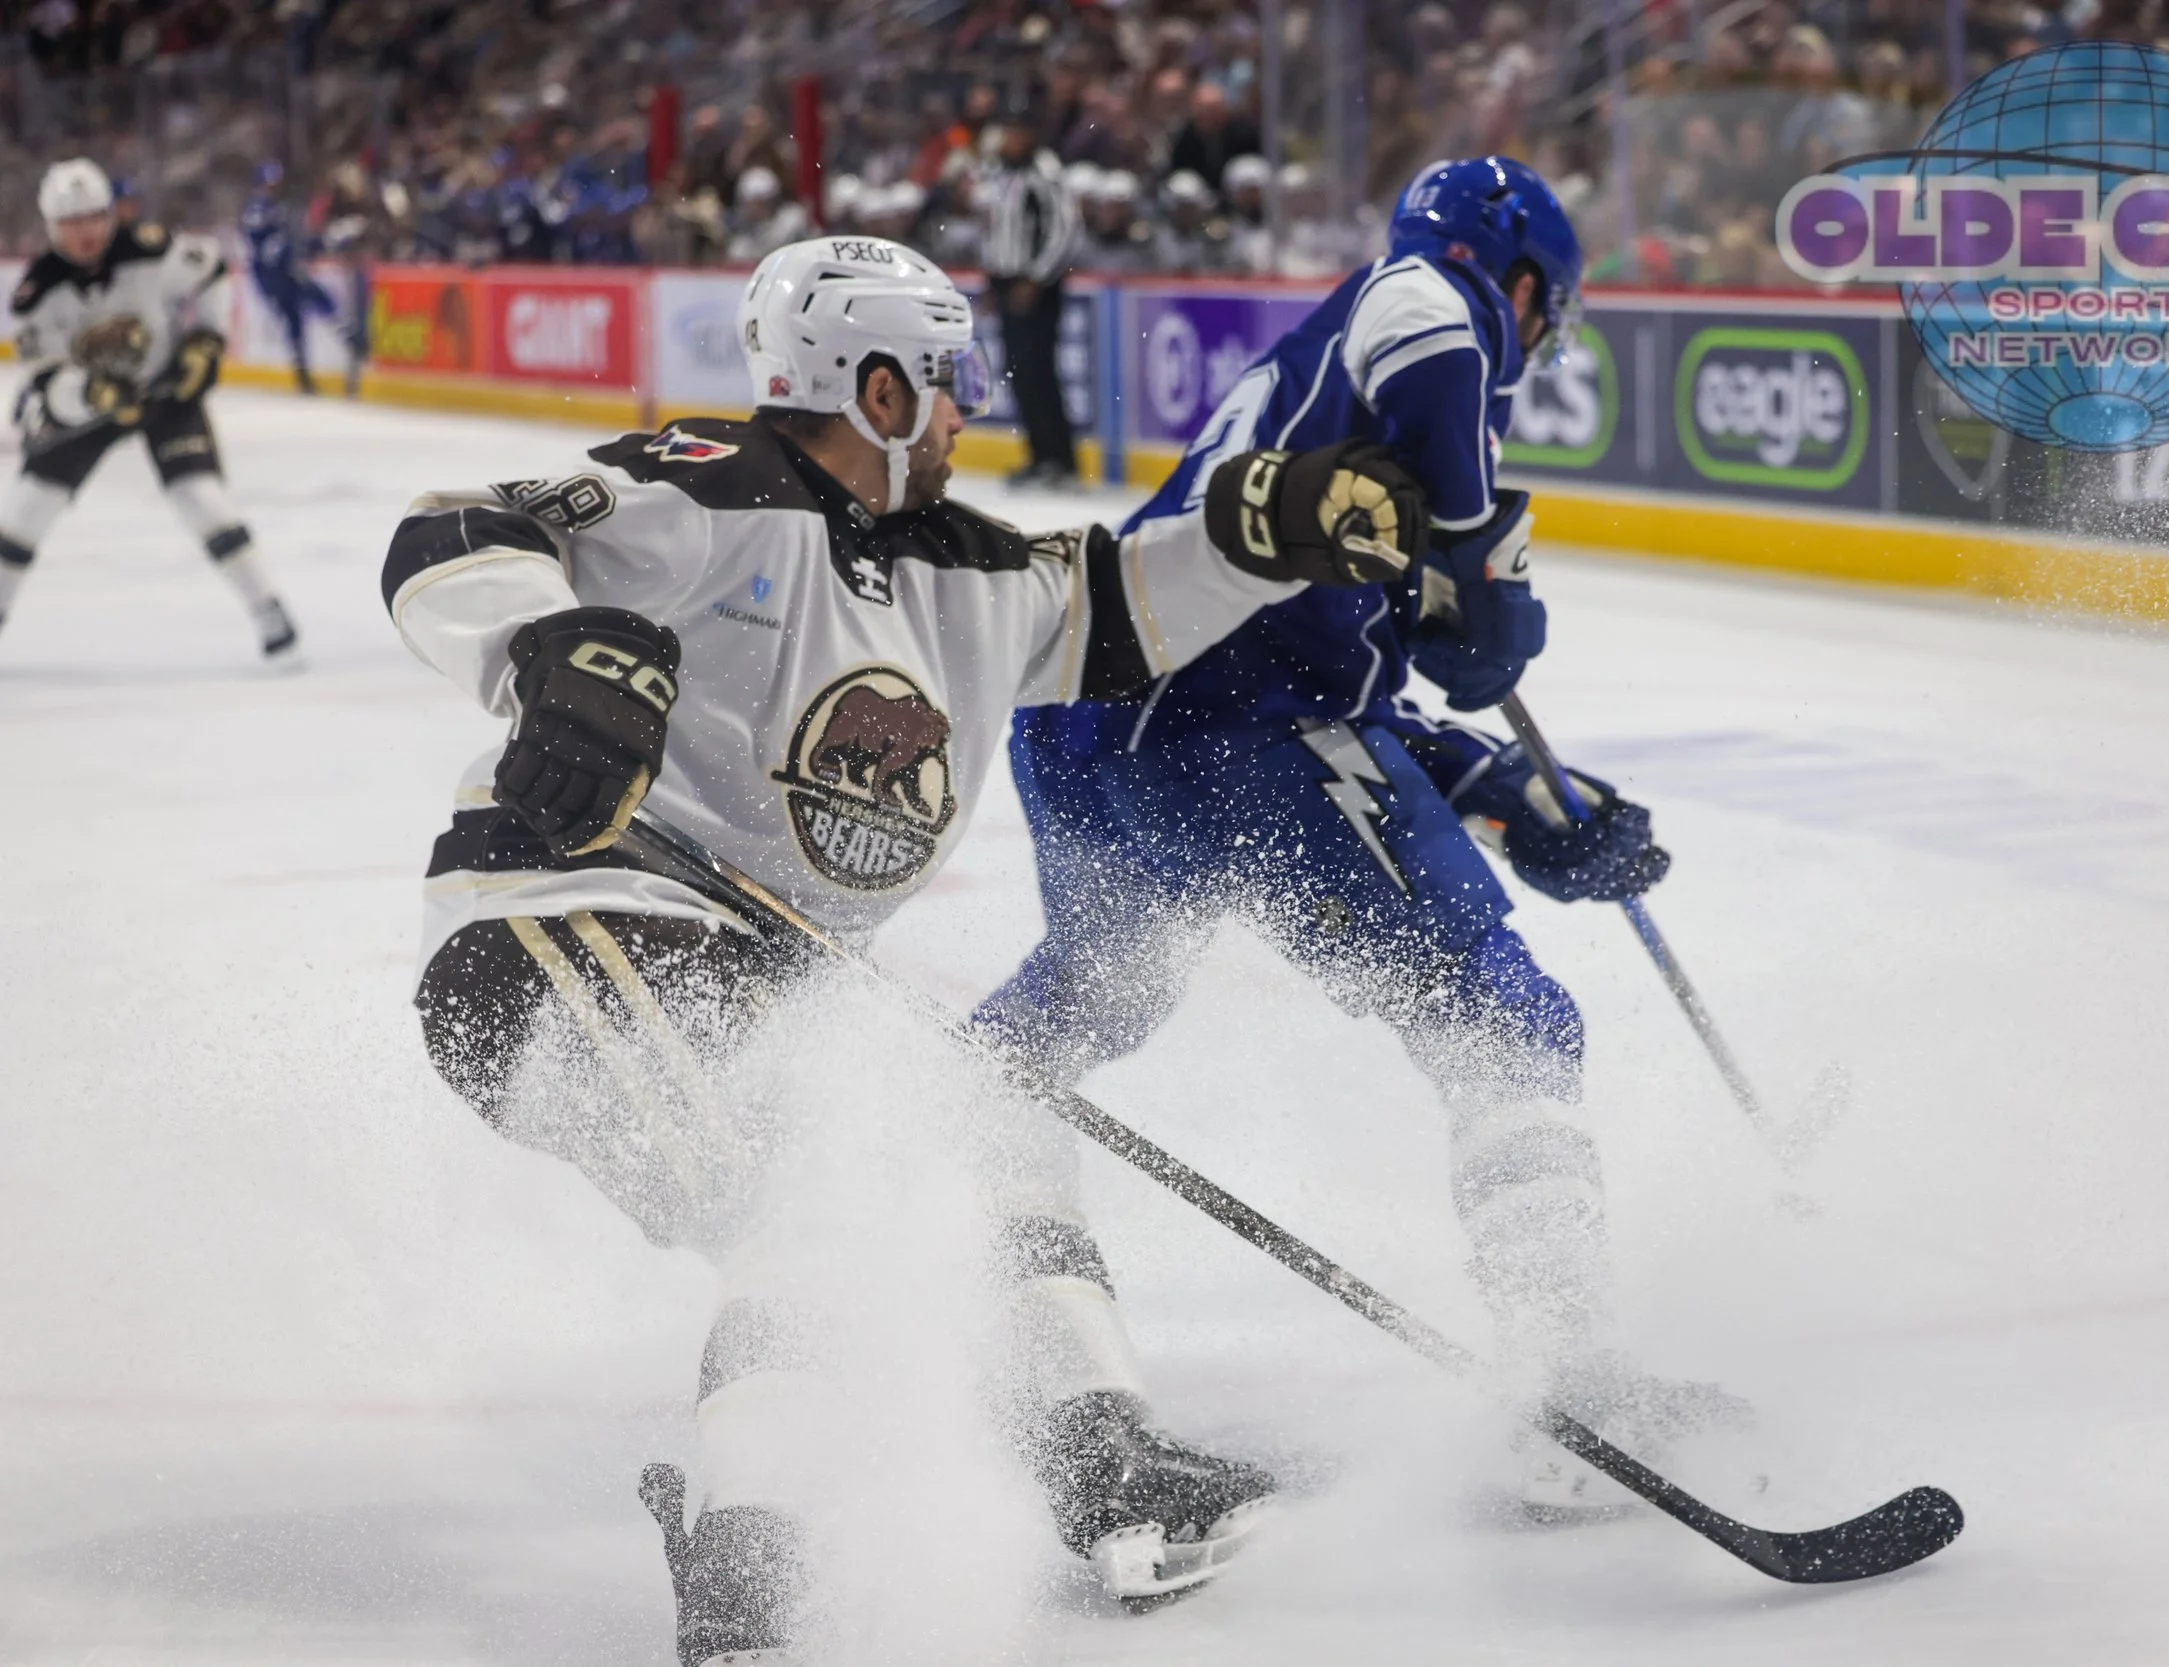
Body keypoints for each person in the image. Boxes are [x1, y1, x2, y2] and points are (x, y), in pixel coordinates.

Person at [383, 235, 1424, 1663]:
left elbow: (1122, 607)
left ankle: (1107, 1461)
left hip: (756, 971)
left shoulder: (962, 570)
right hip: (556, 926)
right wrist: (555, 652)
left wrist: (1273, 521)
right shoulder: (708, 487)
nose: (962, 410)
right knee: (806, 1192)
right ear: (872, 385)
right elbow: (450, 537)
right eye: (943, 382)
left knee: (987, 1128)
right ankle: (755, 1564)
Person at [975, 158, 1733, 1518]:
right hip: (1227, 729)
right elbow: (1431, 330)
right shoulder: (1427, 303)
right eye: (1542, 312)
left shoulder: (1327, 376)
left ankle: (962, 1259)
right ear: (1520, 280)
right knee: (1500, 1019)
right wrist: (1474, 545)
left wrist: (1510, 795)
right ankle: (1570, 1392)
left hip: (1100, 722)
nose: (1534, 340)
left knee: (1058, 1027)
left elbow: (1357, 687)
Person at [3, 157, 298, 661]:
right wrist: (88, 395)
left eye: (94, 216)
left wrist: (205, 342)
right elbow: (44, 380)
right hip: (88, 408)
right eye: (72, 222)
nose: (86, 231)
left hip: (163, 392)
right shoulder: (35, 295)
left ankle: (267, 608)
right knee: (27, 512)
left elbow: (211, 272)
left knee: (201, 497)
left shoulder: (152, 249)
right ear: (52, 226)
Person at [981, 111, 1082, 489]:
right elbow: (996, 231)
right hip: (1010, 283)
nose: (1008, 141)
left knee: (1039, 370)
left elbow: (1065, 229)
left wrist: (1037, 278)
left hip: (1037, 287)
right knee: (1019, 371)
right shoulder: (1003, 174)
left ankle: (1059, 457)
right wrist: (994, 281)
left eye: (1014, 133)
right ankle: (1039, 454)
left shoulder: (1046, 175)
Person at [240, 160, 342, 396]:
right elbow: (267, 245)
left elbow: (288, 241)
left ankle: (306, 371)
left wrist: (310, 246)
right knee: (305, 306)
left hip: (282, 273)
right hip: (273, 276)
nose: (273, 187)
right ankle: (347, 337)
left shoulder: (275, 207)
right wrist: (301, 248)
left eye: (276, 183)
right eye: (270, 183)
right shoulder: (259, 208)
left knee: (298, 318)